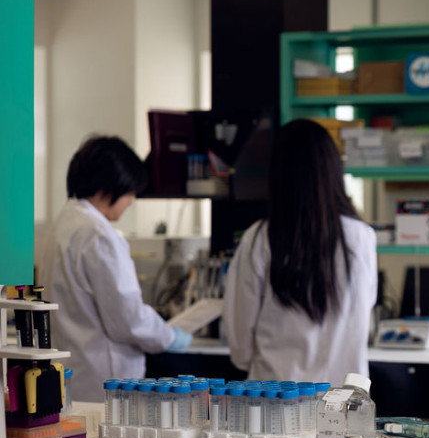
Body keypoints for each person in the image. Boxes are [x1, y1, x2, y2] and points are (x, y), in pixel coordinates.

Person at [38, 135, 192, 402]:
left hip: (73, 375)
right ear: (110, 188)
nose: (130, 201)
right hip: (104, 380)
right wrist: (169, 337)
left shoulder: (61, 225)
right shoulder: (99, 234)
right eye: (130, 192)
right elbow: (128, 319)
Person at [222, 119, 377, 385]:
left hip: (276, 397)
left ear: (278, 174)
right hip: (344, 401)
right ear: (333, 171)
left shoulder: (260, 238)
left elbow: (240, 345)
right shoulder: (361, 237)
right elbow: (363, 315)